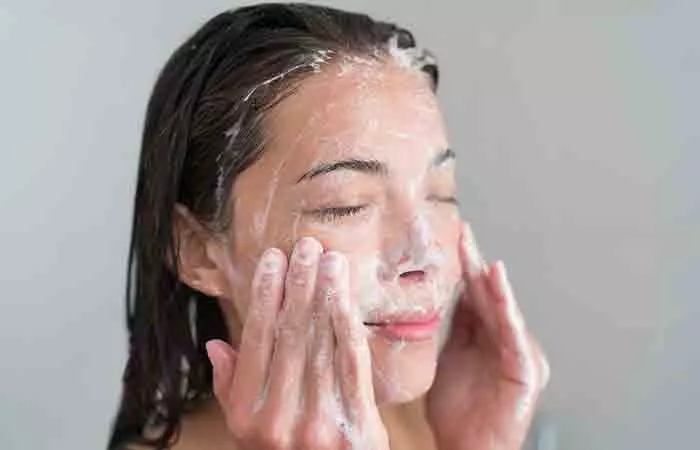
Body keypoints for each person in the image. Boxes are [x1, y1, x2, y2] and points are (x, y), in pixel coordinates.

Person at [108, 3, 549, 449]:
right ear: (196, 250)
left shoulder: (437, 418)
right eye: (347, 205)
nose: (426, 256)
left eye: (440, 193)